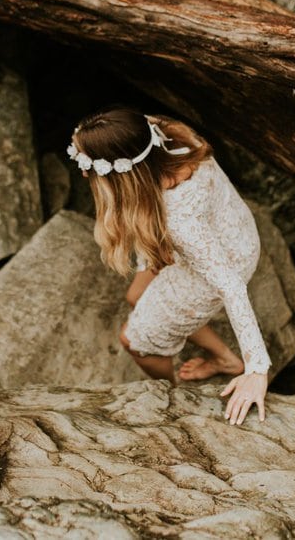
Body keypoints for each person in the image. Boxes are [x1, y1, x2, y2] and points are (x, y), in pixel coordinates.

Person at [67, 107, 270, 425]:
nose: (83, 173)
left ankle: (173, 393)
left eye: (89, 167)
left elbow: (230, 285)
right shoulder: (166, 136)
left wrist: (257, 369)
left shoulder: (179, 220)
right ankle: (224, 359)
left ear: (124, 175)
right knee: (136, 296)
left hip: (221, 262)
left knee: (134, 341)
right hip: (231, 230)